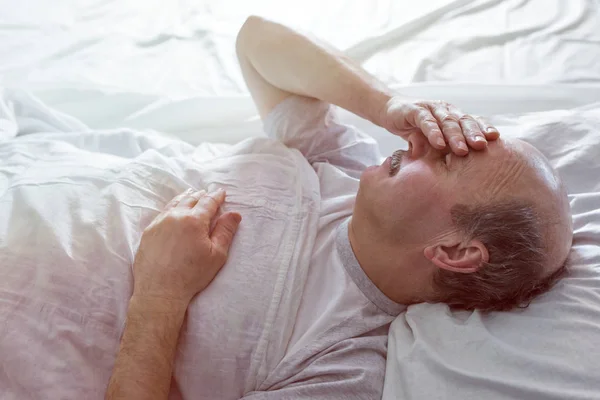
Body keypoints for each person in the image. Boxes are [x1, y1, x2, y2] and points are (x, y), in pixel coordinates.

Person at [105, 16, 573, 400]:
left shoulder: (340, 365)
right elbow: (257, 39)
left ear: (454, 250)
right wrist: (387, 105)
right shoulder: (343, 167)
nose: (419, 141)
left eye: (447, 157)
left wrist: (159, 297)